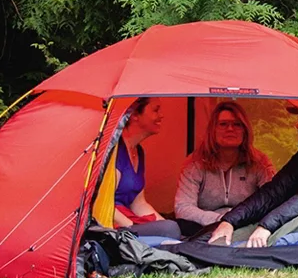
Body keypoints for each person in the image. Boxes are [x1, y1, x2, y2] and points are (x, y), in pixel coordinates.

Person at [204, 105, 298, 247]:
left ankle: (250, 251)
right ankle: (213, 247)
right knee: (226, 238)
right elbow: (274, 191)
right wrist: (230, 221)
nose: (297, 125)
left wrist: (267, 226)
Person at [173, 100, 276, 237]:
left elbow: (272, 201)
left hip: (247, 227)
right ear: (213, 130)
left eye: (237, 124)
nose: (230, 129)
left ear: (245, 130)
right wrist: (222, 220)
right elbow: (183, 208)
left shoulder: (259, 163)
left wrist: (238, 220)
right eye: (223, 124)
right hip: (205, 228)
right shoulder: (195, 163)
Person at [112, 97, 183, 244]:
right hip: (115, 226)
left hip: (129, 220)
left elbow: (138, 204)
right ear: (134, 115)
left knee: (172, 228)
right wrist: (132, 229)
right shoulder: (115, 151)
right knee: (169, 229)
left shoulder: (138, 151)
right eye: (155, 110)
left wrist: (164, 225)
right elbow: (102, 205)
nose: (161, 115)